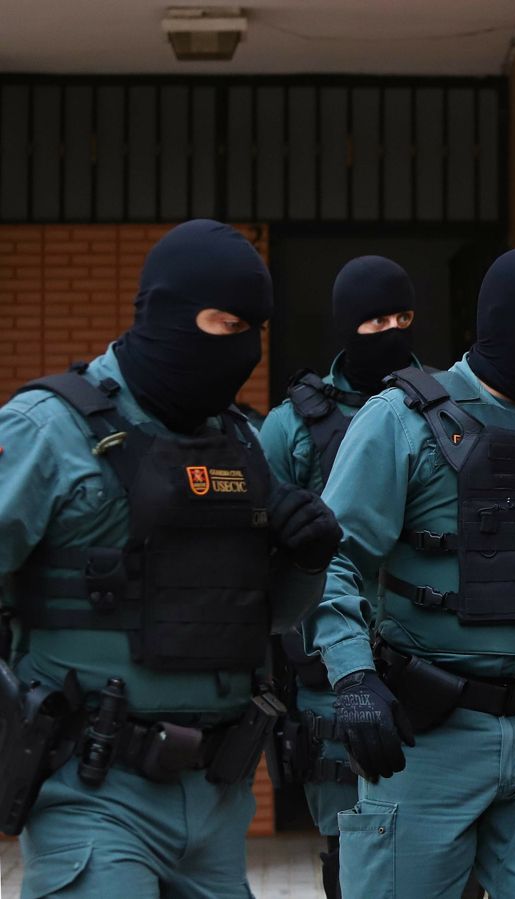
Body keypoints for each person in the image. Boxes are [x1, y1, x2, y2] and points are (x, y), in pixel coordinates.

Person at [0, 219, 342, 897]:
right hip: (92, 789)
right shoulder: (49, 428)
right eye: (220, 322)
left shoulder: (242, 441)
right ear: (162, 312)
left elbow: (267, 616)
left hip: (218, 798)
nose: (239, 345)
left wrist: (305, 558)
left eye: (253, 328)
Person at [303, 247, 515, 898]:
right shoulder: (402, 422)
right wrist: (351, 676)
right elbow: (331, 559)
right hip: (428, 737)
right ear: (507, 319)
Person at [258, 255, 426, 899]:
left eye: (403, 317)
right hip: (329, 677)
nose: (390, 331)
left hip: (430, 659)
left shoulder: (450, 410)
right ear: (345, 325)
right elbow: (265, 553)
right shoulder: (292, 427)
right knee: (350, 849)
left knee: (440, 843)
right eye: (374, 319)